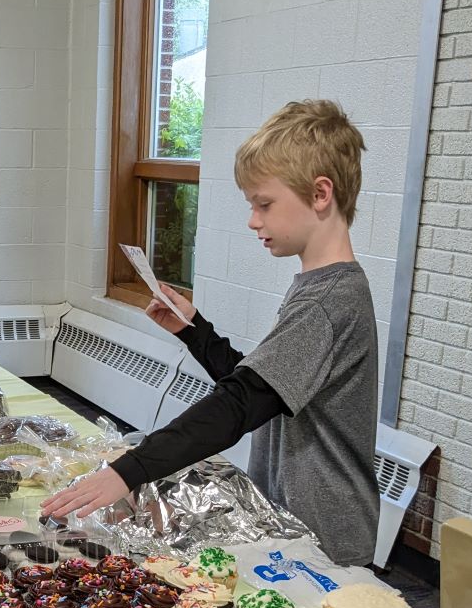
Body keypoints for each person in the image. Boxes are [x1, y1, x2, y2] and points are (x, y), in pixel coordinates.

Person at [43, 100, 381, 566]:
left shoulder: (329, 299)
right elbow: (266, 387)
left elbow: (242, 403)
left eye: (264, 204)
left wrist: (129, 471)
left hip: (325, 539)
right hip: (293, 521)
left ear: (320, 194)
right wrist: (195, 332)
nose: (253, 220)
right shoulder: (319, 288)